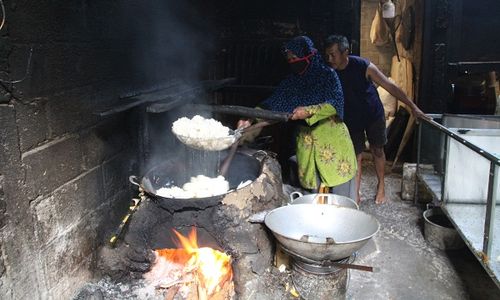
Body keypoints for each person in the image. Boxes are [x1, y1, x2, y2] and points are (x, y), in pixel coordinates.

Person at [239, 36, 357, 197]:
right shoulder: (291, 82)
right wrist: (251, 117)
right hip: (306, 143)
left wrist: (309, 111)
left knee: (340, 198)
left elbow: (335, 103)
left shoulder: (327, 75)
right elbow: (273, 103)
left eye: (296, 57)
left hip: (332, 141)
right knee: (311, 196)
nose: (293, 62)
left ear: (308, 55)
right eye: (289, 59)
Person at [324, 34, 428, 204]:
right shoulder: (330, 73)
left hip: (373, 114)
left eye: (333, 55)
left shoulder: (363, 66)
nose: (329, 59)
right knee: (356, 155)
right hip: (351, 118)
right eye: (327, 55)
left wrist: (413, 107)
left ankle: (381, 186)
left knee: (377, 150)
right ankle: (355, 193)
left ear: (345, 52)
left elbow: (391, 86)